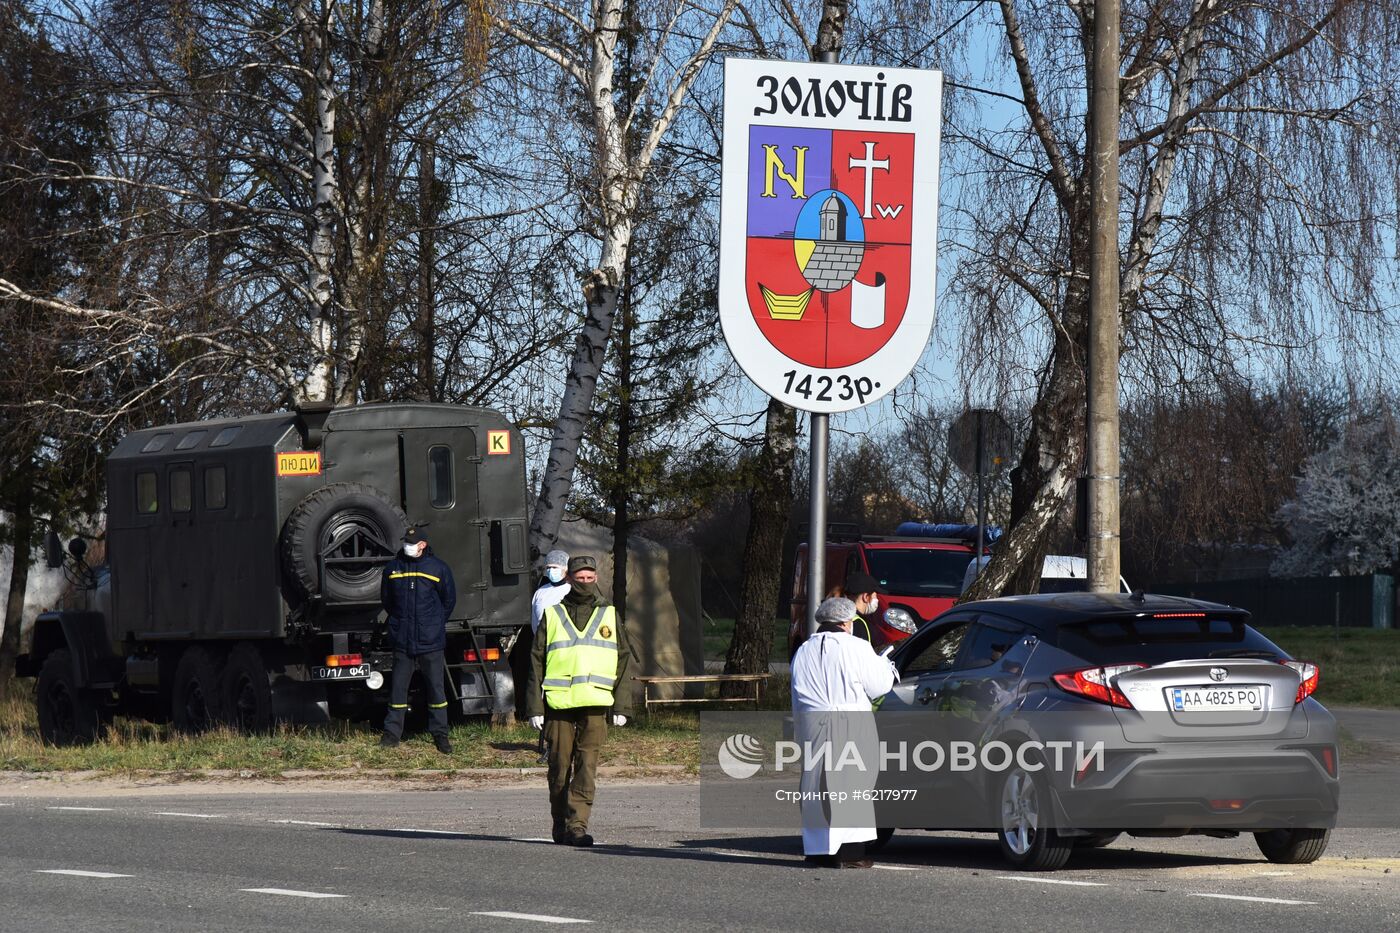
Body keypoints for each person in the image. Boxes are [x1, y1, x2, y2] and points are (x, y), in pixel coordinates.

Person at [526, 554, 633, 846]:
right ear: (570, 579)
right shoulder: (553, 615)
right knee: (560, 766)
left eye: (590, 578)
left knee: (587, 765)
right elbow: (536, 662)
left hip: (595, 704)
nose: (585, 583)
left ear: (596, 578)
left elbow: (624, 659)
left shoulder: (609, 614)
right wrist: (534, 707)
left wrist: (622, 705)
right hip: (559, 704)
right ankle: (560, 823)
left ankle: (578, 826)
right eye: (579, 578)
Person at [790, 596, 898, 869]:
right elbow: (879, 686)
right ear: (846, 623)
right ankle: (850, 852)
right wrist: (887, 665)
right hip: (850, 720)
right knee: (853, 783)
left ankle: (817, 851)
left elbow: (796, 693)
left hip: (813, 722)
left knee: (815, 785)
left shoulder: (803, 650)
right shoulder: (857, 647)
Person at [379, 527, 457, 753]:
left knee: (436, 690)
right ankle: (392, 735)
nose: (407, 545)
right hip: (402, 641)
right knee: (397, 690)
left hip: (430, 642)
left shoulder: (438, 568)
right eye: (406, 541)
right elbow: (387, 600)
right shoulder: (393, 568)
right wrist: (398, 623)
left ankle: (440, 735)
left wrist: (433, 624)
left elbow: (448, 601)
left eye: (412, 542)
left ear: (423, 544)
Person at [510, 549, 571, 722]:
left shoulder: (570, 590)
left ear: (565, 569)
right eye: (549, 567)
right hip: (541, 643)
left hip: (564, 646)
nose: (552, 571)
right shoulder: (541, 592)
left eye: (556, 567)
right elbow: (534, 619)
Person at [827, 570, 886, 644]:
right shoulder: (859, 624)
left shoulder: (836, 615)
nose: (877, 600)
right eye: (875, 596)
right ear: (866, 597)